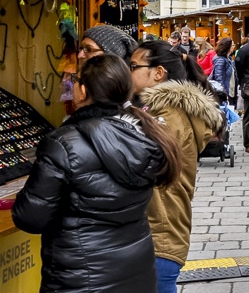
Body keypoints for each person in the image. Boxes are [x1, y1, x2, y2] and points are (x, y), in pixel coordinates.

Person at [13, 54, 182, 293]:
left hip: (80, 278)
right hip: (137, 273)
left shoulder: (63, 142)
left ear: (82, 91)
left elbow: (30, 217)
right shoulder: (146, 135)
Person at [131, 40, 224, 293]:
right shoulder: (159, 110)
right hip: (160, 230)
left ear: (158, 73)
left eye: (133, 66)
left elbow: (139, 165)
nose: (127, 72)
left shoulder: (167, 116)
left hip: (158, 232)